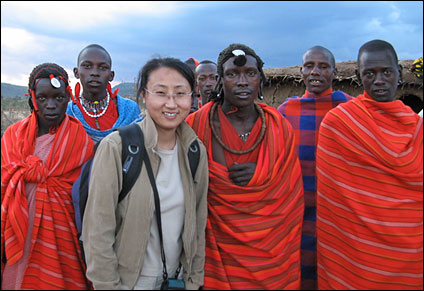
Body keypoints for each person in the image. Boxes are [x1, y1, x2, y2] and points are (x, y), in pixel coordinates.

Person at [82, 57, 209, 290]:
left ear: (192, 96)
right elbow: (97, 231)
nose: (171, 104)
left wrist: (195, 280)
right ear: (143, 95)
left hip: (178, 282)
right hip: (129, 283)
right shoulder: (117, 147)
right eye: (161, 92)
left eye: (180, 93)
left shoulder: (195, 150)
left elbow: (198, 224)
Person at [186, 43, 304, 290]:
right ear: (220, 81)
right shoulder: (194, 126)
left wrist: (262, 175)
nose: (242, 82)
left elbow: (290, 195)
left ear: (260, 80)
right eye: (232, 74)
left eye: (250, 74)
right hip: (216, 249)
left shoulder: (278, 127)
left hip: (273, 253)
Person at [316, 40, 423, 290]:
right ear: (357, 77)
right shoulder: (339, 124)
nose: (379, 80)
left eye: (386, 72)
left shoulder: (416, 127)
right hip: (354, 254)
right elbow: (334, 204)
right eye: (369, 73)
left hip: (410, 252)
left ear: (399, 72)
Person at [1, 63, 94, 289]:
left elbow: (87, 197)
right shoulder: (13, 136)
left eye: (59, 98)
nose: (51, 105)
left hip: (63, 238)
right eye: (42, 98)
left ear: (69, 97)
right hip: (18, 232)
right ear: (32, 99)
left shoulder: (80, 141)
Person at [277, 45, 353, 290]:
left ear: (334, 72)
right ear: (301, 71)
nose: (315, 72)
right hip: (298, 214)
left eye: (323, 66)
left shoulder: (352, 111)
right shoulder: (286, 112)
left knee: (339, 272)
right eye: (309, 66)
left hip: (342, 214)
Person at [67, 44, 142, 143]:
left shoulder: (130, 111)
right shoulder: (68, 114)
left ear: (111, 76)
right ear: (76, 72)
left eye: (103, 67)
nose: (95, 73)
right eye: (87, 66)